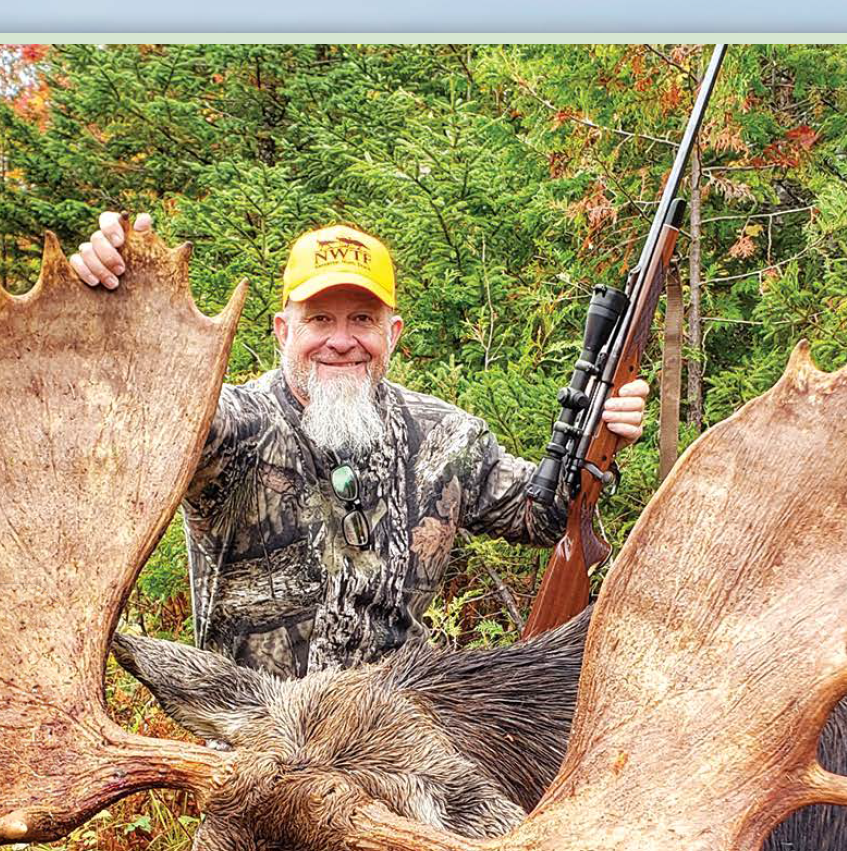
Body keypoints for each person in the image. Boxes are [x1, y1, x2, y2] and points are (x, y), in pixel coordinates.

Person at [73, 212, 649, 675]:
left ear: (391, 333)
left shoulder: (447, 437)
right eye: (320, 318)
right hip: (262, 752)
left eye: (363, 319)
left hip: (403, 745)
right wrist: (107, 309)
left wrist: (604, 433)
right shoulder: (229, 425)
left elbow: (541, 515)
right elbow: (135, 421)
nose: (342, 341)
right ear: (284, 331)